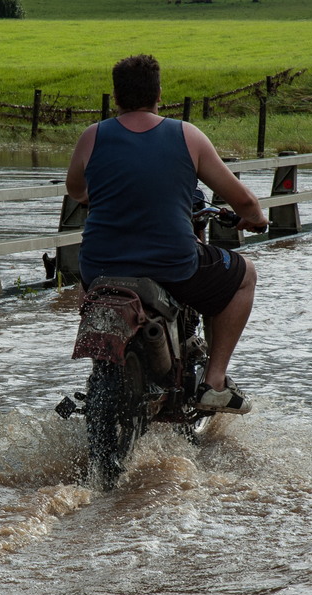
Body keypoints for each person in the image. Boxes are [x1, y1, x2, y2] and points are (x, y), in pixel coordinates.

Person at [65, 54, 268, 414]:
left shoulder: (91, 137)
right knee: (245, 275)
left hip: (98, 267)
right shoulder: (187, 135)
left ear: (116, 97)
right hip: (171, 264)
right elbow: (244, 200)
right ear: (160, 93)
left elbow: (77, 191)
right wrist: (253, 218)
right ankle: (215, 382)